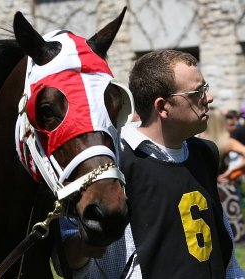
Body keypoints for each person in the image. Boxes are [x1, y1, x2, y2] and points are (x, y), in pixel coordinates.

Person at [56, 50, 245, 278]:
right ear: (163, 106)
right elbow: (70, 260)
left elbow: (224, 247)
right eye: (198, 92)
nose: (209, 98)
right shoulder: (113, 162)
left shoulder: (204, 153)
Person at [199, 107, 245, 243]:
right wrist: (230, 172)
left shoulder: (200, 140)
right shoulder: (228, 142)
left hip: (205, 185)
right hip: (225, 187)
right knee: (229, 229)